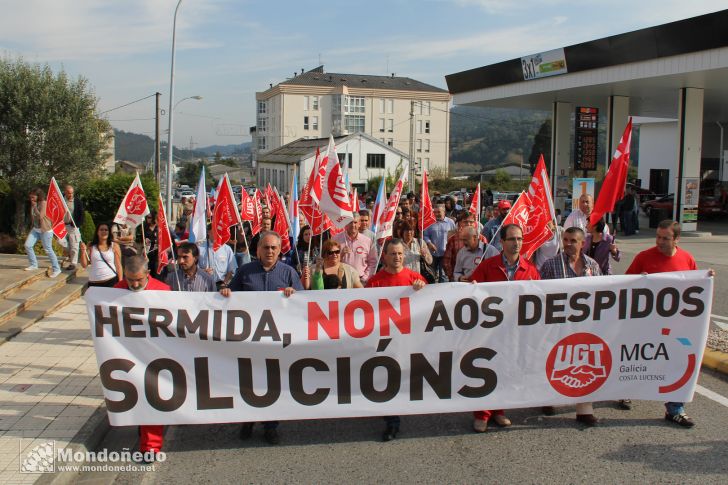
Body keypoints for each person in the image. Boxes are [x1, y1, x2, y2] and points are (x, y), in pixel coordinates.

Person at [626, 220, 715, 427]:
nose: (660, 241)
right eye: (658, 236)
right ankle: (625, 391)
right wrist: (640, 281)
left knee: (677, 363)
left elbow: (695, 286)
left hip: (676, 326)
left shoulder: (686, 258)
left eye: (665, 238)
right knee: (637, 359)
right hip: (646, 324)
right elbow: (626, 284)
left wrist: (707, 278)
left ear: (676, 239)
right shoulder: (644, 257)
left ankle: (675, 408)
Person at [220, 231, 303, 445]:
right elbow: (230, 296)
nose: (270, 251)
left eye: (274, 248)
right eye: (266, 247)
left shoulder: (288, 272)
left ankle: (270, 426)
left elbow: (303, 302)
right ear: (257, 250)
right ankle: (248, 420)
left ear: (279, 250)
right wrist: (226, 293)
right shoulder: (245, 272)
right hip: (249, 340)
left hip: (276, 341)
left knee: (272, 384)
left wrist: (295, 295)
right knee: (248, 382)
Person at [468, 224, 540, 432]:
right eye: (512, 239)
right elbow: (473, 292)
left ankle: (499, 411)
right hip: (490, 331)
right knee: (486, 371)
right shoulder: (488, 266)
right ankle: (482, 414)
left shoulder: (531, 270)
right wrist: (472, 285)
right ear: (502, 242)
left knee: (506, 370)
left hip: (515, 332)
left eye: (519, 239)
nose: (516, 243)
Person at [540, 227, 603, 426]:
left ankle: (584, 409)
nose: (568, 244)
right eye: (565, 240)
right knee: (556, 362)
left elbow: (602, 292)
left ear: (582, 243)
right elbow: (540, 295)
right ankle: (548, 399)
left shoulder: (592, 265)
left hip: (585, 326)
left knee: (583, 366)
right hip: (557, 325)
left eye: (573, 240)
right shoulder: (550, 265)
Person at [365, 238, 426, 441]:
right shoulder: (375, 282)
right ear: (385, 256)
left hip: (408, 340)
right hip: (384, 341)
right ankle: (392, 422)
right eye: (393, 254)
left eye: (400, 254)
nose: (398, 257)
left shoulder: (415, 279)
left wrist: (421, 289)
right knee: (387, 379)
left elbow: (430, 303)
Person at [113, 255, 170, 460]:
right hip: (127, 355)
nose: (134, 284)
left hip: (155, 356)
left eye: (139, 280)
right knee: (136, 398)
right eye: (130, 280)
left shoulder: (163, 291)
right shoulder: (115, 292)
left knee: (151, 398)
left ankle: (150, 447)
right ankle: (143, 428)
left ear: (148, 274)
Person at [24, 188, 62, 278]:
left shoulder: (44, 203)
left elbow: (40, 216)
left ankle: (57, 269)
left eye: (33, 197)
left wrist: (34, 206)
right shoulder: (33, 204)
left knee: (48, 250)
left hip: (46, 230)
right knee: (27, 245)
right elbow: (33, 217)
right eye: (30, 197)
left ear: (38, 196)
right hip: (36, 229)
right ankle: (34, 265)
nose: (31, 199)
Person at [332, 213, 377, 284]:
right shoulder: (336, 239)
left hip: (361, 281)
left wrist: (365, 278)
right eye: (350, 222)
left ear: (359, 224)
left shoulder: (367, 241)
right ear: (346, 224)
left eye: (355, 222)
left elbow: (373, 262)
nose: (353, 225)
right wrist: (341, 254)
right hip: (341, 280)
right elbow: (330, 260)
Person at [443, 212, 486, 281]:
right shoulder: (453, 239)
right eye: (465, 222)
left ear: (475, 223)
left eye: (471, 222)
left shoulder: (482, 239)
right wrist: (455, 278)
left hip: (480, 281)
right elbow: (447, 261)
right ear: (460, 223)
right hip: (460, 282)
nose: (468, 224)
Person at [80, 223, 122, 287]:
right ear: (97, 232)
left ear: (109, 232)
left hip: (111, 280)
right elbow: (84, 265)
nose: (104, 231)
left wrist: (120, 282)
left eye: (106, 230)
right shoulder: (91, 245)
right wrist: (83, 251)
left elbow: (118, 266)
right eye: (101, 230)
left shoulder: (114, 246)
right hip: (94, 282)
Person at [423, 205, 457, 282]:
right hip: (432, 254)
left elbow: (454, 236)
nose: (436, 214)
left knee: (443, 277)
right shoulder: (429, 222)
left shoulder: (450, 222)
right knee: (431, 274)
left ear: (444, 212)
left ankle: (442, 293)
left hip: (445, 254)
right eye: (434, 212)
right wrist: (429, 243)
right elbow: (425, 235)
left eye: (439, 212)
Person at [63, 184, 84, 271]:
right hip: (63, 226)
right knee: (61, 242)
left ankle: (73, 263)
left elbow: (81, 214)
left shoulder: (77, 201)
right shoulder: (61, 200)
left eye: (72, 193)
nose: (70, 195)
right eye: (68, 193)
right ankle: (68, 254)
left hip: (73, 226)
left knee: (74, 245)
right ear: (65, 192)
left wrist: (78, 224)